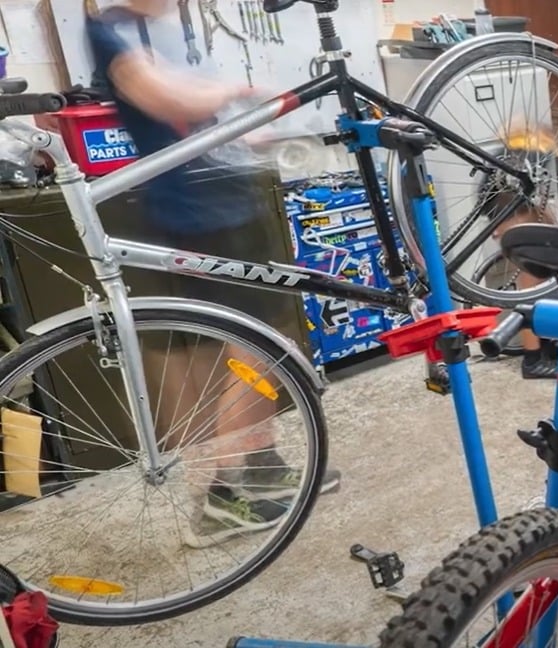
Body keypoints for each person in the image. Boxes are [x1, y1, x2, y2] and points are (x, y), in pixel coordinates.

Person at [86, 0, 340, 548]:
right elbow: (164, 100)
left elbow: (181, 114)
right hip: (199, 216)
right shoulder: (107, 31)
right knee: (253, 352)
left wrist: (237, 132)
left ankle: (264, 467)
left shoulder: (143, 30)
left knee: (268, 344)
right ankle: (227, 497)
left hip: (224, 204)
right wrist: (235, 93)